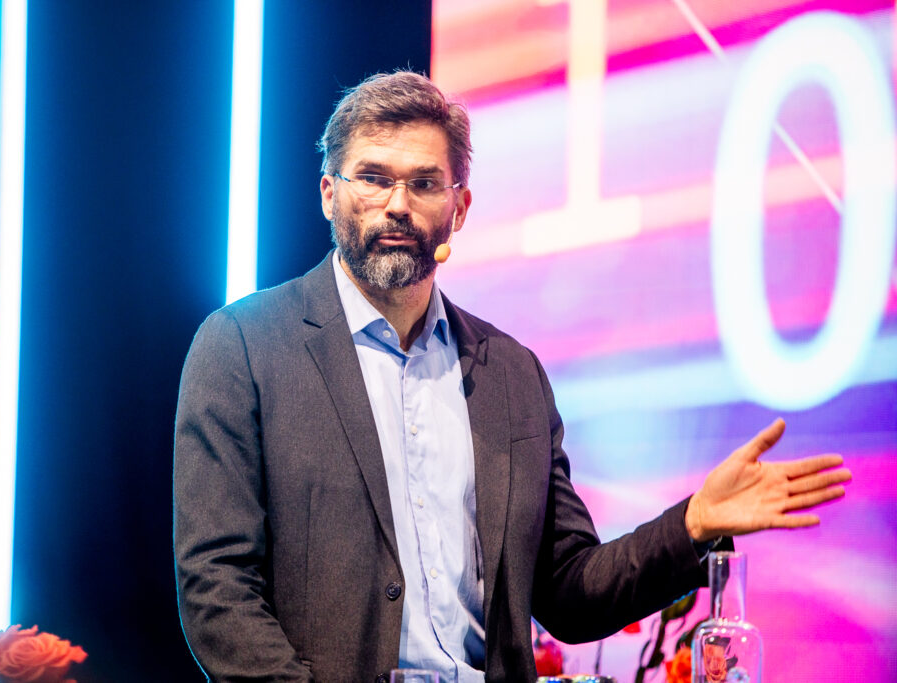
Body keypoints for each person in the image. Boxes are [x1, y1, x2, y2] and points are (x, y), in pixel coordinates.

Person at [173, 71, 850, 683]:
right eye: (372, 178)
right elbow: (217, 588)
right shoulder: (242, 349)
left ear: (459, 208)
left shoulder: (512, 374)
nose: (398, 204)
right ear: (329, 194)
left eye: (424, 182)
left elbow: (571, 592)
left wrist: (694, 523)